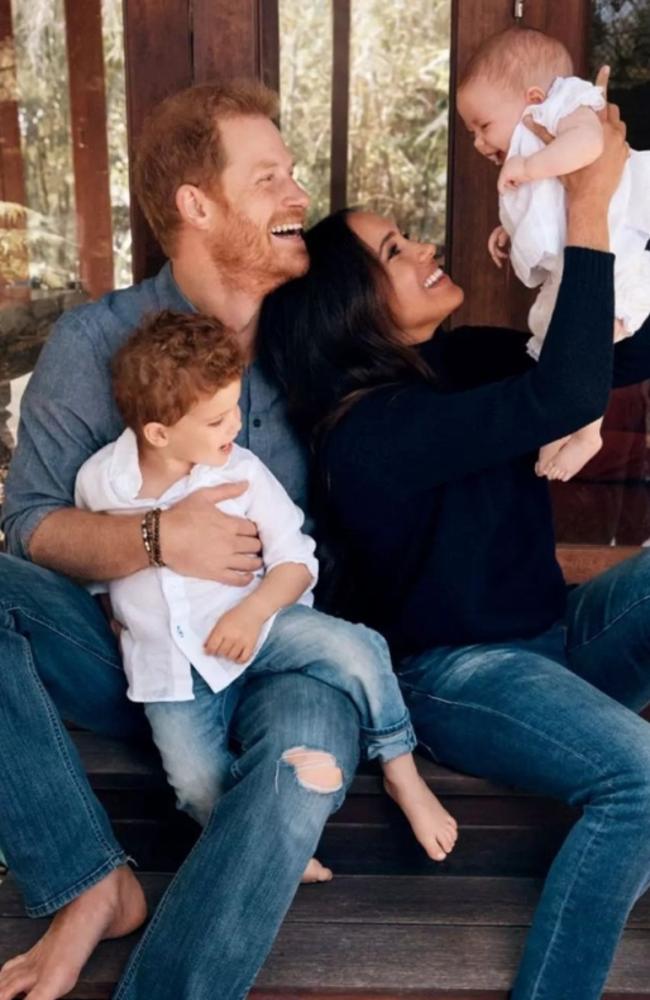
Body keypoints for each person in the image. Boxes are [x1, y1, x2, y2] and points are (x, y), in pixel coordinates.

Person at [259, 100, 650, 1000]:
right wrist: (582, 204)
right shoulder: (366, 433)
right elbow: (559, 400)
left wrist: (586, 243)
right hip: (461, 676)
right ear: (349, 310)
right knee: (636, 782)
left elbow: (606, 362)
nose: (428, 247)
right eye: (397, 251)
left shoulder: (459, 358)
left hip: (553, 642)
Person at [1, 80, 372, 1000]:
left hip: (284, 654)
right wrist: (162, 537)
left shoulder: (310, 338)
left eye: (292, 175)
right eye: (269, 178)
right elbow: (28, 526)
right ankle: (89, 881)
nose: (298, 198)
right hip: (136, 662)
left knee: (297, 771)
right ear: (196, 205)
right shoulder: (96, 344)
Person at [74, 309, 457, 868]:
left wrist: (252, 613)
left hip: (263, 623)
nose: (234, 426)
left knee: (359, 649)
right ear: (158, 433)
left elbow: (297, 561)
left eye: (235, 408)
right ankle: (263, 841)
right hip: (171, 669)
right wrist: (111, 608)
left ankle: (402, 772)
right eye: (216, 419)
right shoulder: (101, 482)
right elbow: (92, 562)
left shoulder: (243, 472)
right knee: (193, 782)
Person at [456, 27, 650, 482]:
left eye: (484, 126)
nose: (480, 144)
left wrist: (528, 166)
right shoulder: (539, 141)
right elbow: (549, 209)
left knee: (586, 340)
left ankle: (587, 432)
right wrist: (509, 231)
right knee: (555, 338)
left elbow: (589, 146)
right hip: (579, 260)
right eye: (472, 134)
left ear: (535, 97)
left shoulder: (570, 107)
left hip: (615, 259)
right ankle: (566, 422)